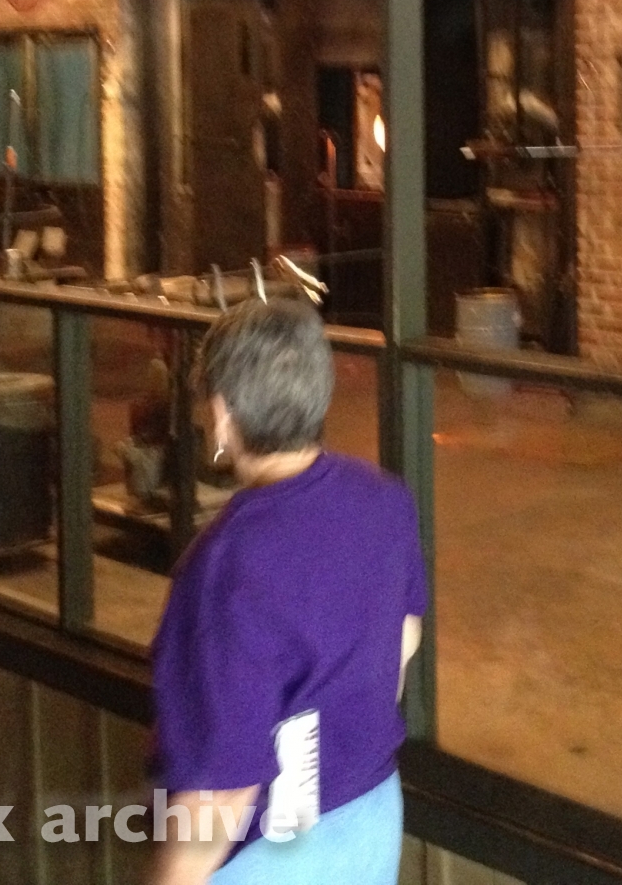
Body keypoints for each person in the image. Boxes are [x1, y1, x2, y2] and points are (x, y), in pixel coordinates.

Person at [147, 299, 426, 885]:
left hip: (278, 852)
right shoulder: (383, 498)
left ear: (222, 416)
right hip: (372, 817)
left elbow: (221, 795)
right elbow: (403, 640)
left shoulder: (222, 565)